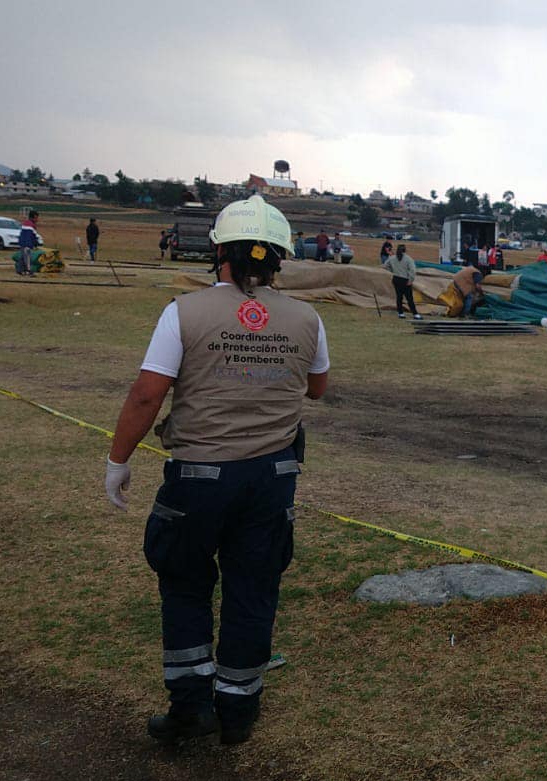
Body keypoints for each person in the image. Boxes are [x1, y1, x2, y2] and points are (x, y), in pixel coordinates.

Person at [104, 194, 329, 747]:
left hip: (199, 478)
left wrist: (118, 461)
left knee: (184, 584)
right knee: (254, 588)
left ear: (219, 253)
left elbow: (146, 395)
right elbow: (317, 387)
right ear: (280, 256)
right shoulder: (307, 318)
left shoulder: (184, 312)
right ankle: (238, 710)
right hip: (272, 479)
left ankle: (189, 707)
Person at [383, 243, 419, 319]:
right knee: (409, 298)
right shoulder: (408, 259)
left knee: (399, 297)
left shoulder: (392, 258)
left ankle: (401, 313)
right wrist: (411, 279)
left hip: (396, 279)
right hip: (405, 280)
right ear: (405, 250)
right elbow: (412, 270)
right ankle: (415, 314)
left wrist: (392, 271)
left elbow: (385, 265)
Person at [17, 211, 41, 275]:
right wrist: (36, 244)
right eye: (36, 218)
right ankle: (28, 270)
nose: (37, 220)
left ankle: (20, 270)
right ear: (33, 218)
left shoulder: (25, 223)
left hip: (22, 243)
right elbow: (33, 236)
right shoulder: (31, 225)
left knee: (22, 257)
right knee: (27, 258)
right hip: (27, 244)